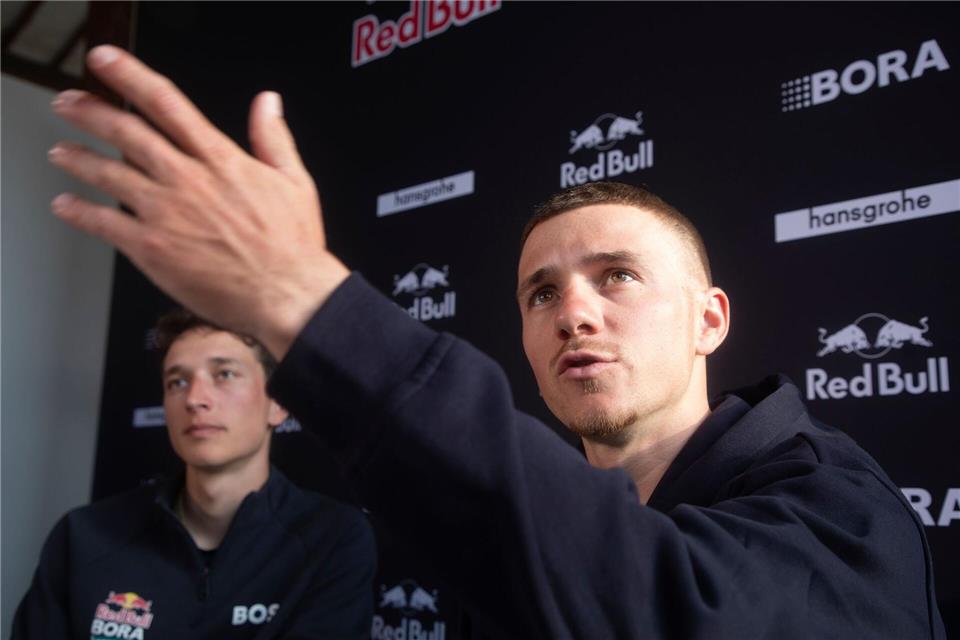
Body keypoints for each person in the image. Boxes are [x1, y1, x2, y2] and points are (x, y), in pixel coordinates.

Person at [45, 46, 945, 638]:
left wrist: (301, 298)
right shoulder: (515, 547)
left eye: (617, 276)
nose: (575, 313)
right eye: (541, 292)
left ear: (709, 319)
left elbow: (666, 605)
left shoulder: (835, 503)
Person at [11, 309, 376, 639]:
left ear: (278, 404)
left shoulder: (331, 540)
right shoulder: (83, 537)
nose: (194, 399)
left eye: (225, 375)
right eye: (177, 382)